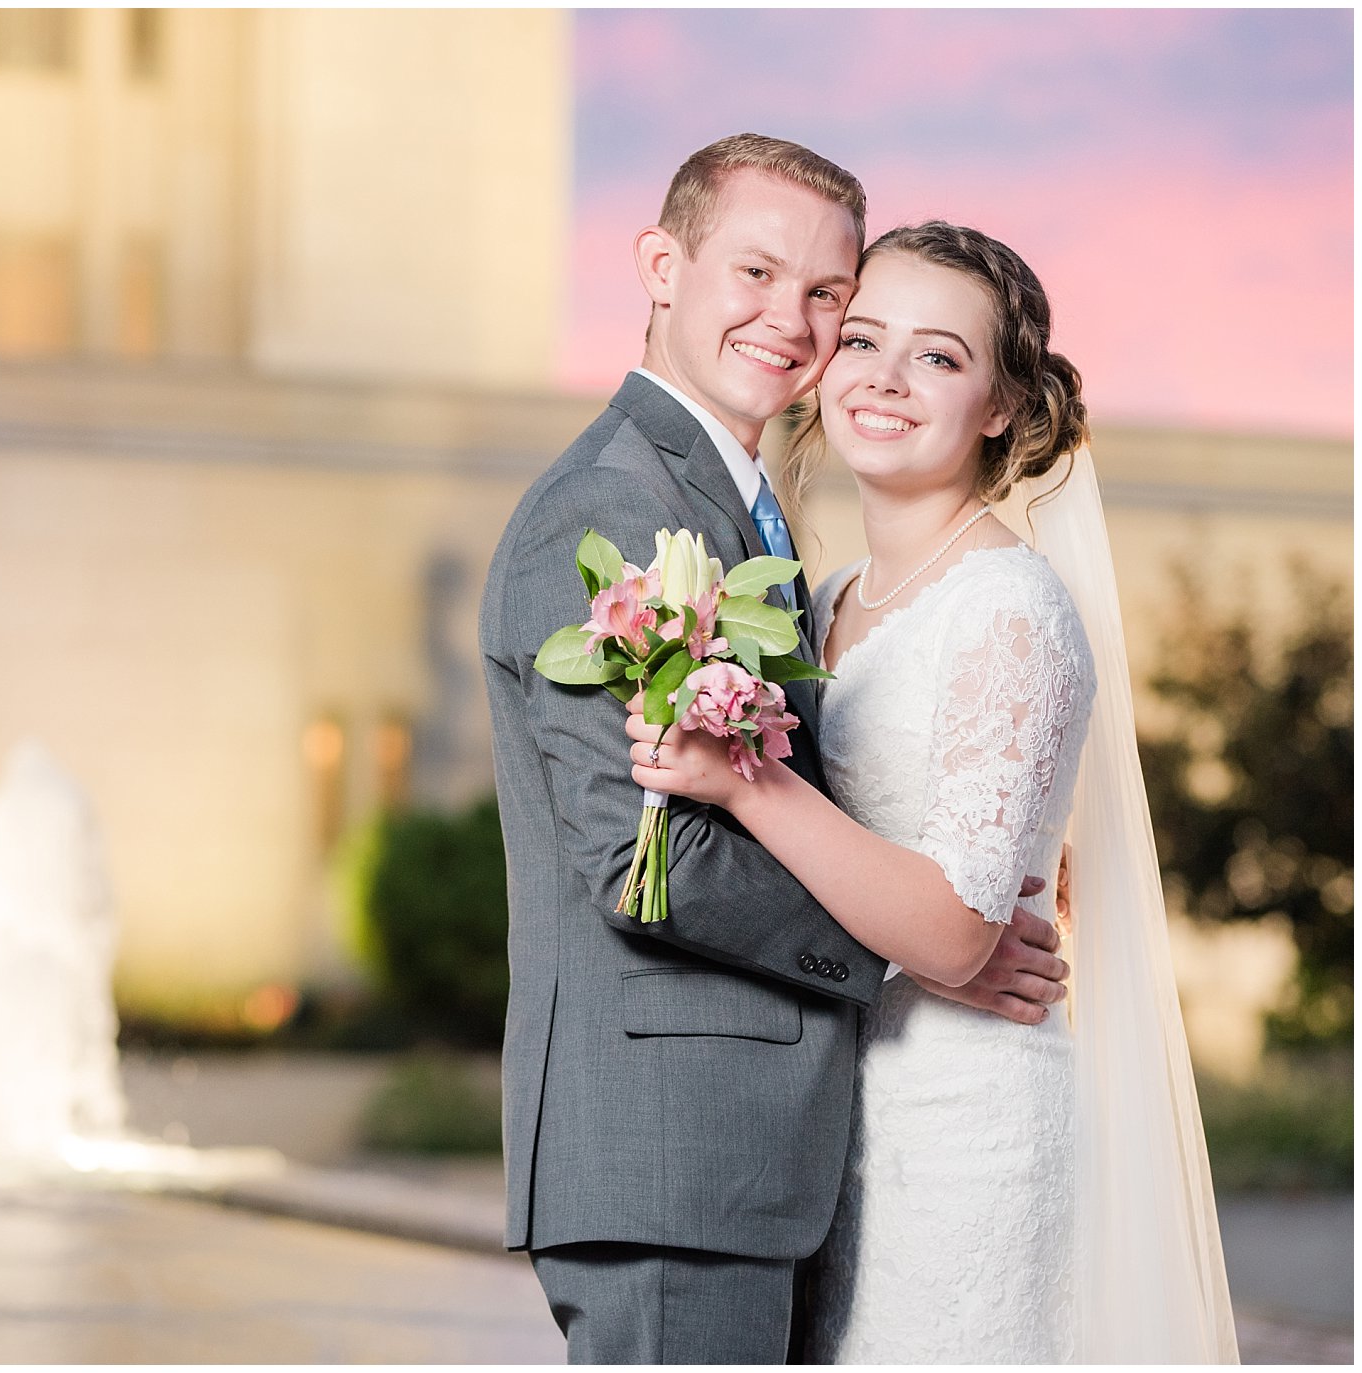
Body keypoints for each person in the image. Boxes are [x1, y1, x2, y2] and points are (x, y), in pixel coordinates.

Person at [478, 135, 1069, 1365]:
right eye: (753, 271)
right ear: (658, 264)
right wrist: (919, 954)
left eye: (824, 295)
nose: (789, 320)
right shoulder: (612, 504)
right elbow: (648, 859)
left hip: (767, 1157)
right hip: (670, 1148)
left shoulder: (753, 523)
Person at [625, 222, 1237, 1361]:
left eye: (939, 357)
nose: (884, 378)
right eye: (861, 339)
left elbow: (958, 927)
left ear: (1001, 405)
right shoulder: (831, 597)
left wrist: (748, 783)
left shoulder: (1008, 607)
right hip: (840, 1104)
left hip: (966, 1123)